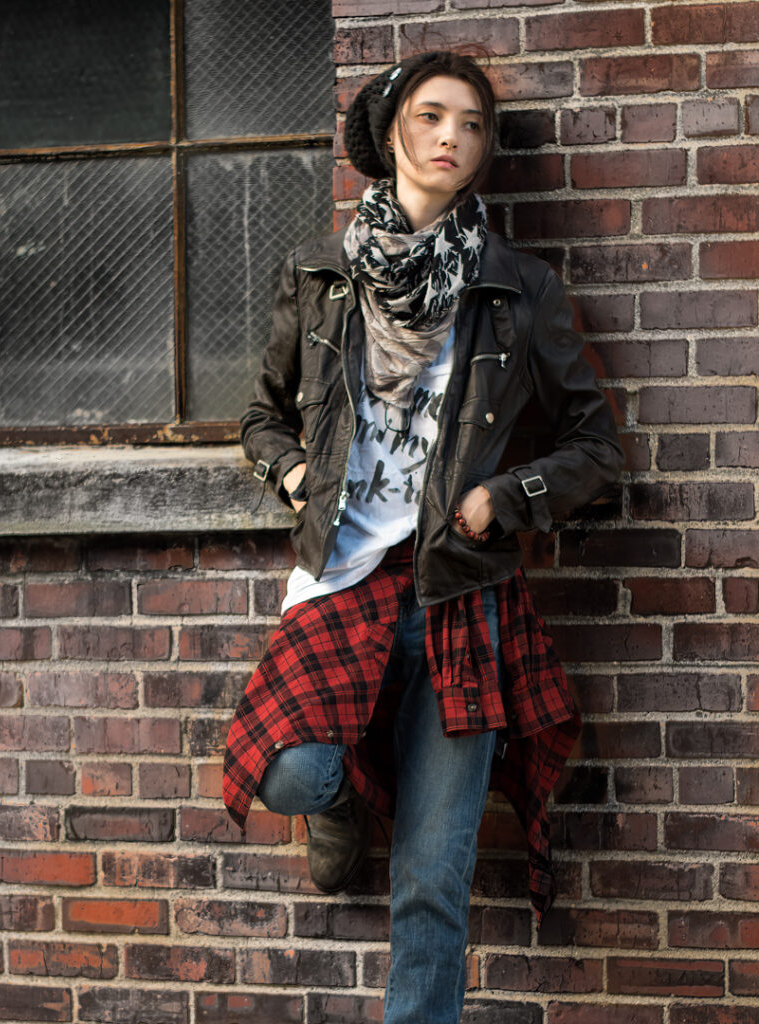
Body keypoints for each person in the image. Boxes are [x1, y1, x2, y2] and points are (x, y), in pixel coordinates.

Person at [222, 50, 624, 1024]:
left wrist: (506, 496)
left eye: (472, 124)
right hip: (343, 576)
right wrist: (295, 475)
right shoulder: (320, 274)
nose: (452, 137)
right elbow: (261, 416)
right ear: (389, 130)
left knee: (433, 882)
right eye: (432, 115)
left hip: (459, 591)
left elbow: (596, 449)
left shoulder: (518, 288)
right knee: (290, 768)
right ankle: (341, 802)